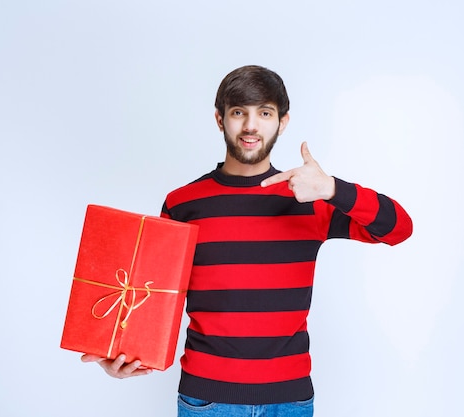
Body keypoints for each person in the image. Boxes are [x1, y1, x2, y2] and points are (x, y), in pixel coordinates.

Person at [82, 65, 413, 416]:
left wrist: (333, 188)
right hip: (206, 401)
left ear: (282, 122)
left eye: (264, 113)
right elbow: (152, 295)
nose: (251, 126)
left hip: (290, 401)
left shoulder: (310, 198)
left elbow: (398, 229)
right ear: (220, 119)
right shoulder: (183, 203)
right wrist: (120, 352)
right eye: (239, 112)